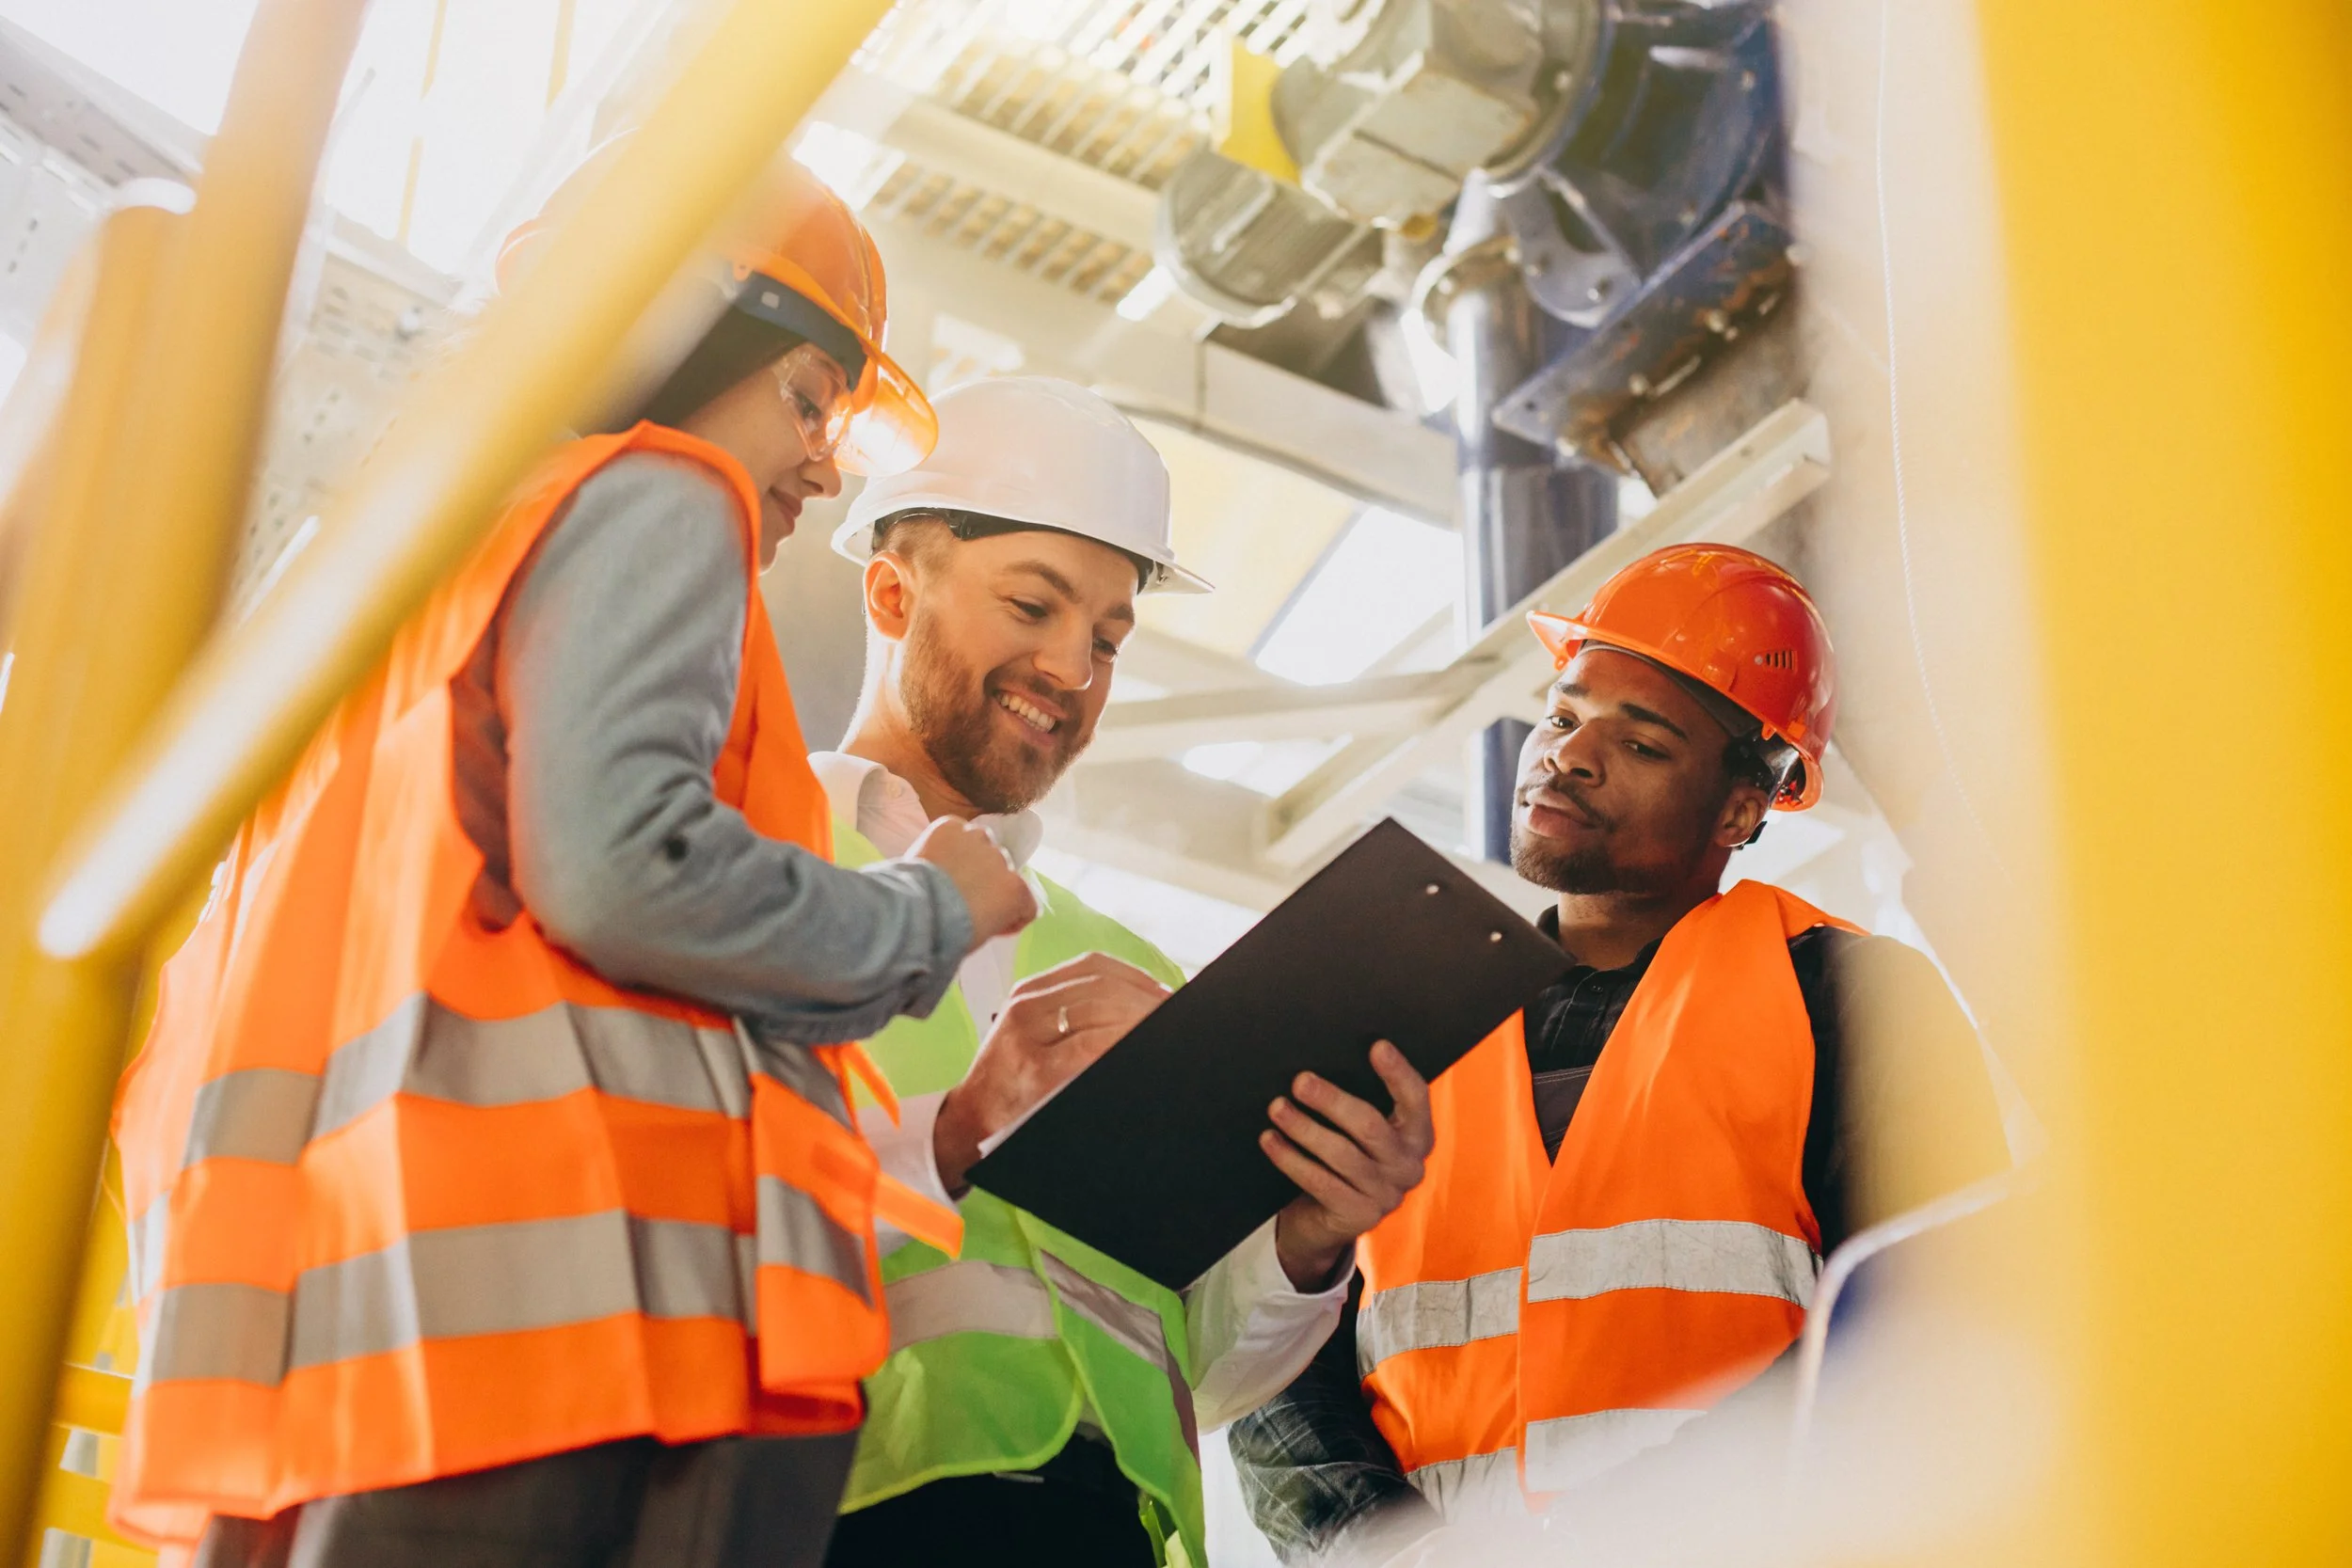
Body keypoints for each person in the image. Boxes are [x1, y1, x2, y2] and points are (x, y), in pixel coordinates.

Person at [108, 148, 1041, 1568]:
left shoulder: (401, 588)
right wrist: (930, 913)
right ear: (671, 328)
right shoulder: (658, 491)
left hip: (367, 1325)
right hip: (602, 1333)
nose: (815, 460)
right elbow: (621, 867)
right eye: (805, 397)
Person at [1229, 544, 2011, 1561]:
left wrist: (1629, 1530)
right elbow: (1276, 1360)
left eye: (1642, 743)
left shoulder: (1848, 997)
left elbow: (1937, 1319)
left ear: (1742, 806)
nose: (1569, 755)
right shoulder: (1399, 1017)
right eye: (1561, 715)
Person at [803, 375, 1437, 1568]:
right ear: (892, 591)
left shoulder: (1131, 967)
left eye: (1105, 637)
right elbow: (673, 1218)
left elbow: (1192, 1366)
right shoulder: (751, 863)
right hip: (844, 1512)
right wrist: (961, 1127)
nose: (1071, 669)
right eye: (1032, 606)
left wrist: (1307, 1237)